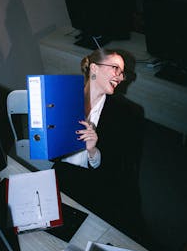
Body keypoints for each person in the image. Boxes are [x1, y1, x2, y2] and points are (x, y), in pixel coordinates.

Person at [53, 48, 145, 240]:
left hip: (98, 182)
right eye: (115, 69)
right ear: (94, 68)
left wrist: (93, 151)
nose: (121, 78)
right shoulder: (62, 98)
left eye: (123, 72)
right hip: (63, 175)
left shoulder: (127, 114)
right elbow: (52, 153)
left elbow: (120, 170)